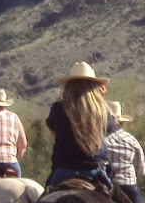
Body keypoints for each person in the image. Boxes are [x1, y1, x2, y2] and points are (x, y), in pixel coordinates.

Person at [45, 61, 117, 191]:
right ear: (93, 87)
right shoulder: (102, 111)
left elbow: (53, 131)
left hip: (63, 171)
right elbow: (110, 128)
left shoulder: (58, 109)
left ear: (68, 87)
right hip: (95, 171)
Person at [104, 101, 145, 203]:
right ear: (121, 122)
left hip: (105, 187)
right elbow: (140, 170)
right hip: (128, 186)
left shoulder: (98, 141)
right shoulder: (131, 140)